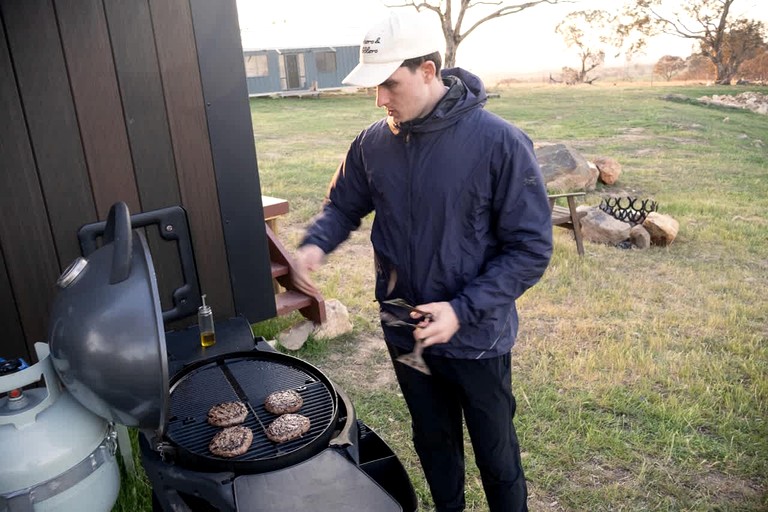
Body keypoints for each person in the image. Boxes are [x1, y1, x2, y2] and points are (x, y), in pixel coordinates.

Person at [291, 11, 553, 512]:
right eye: (375, 87)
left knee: (496, 454)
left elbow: (530, 249)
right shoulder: (373, 142)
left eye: (390, 84)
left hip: (476, 337)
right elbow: (344, 204)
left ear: (429, 71)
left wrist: (462, 308)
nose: (380, 99)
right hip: (404, 327)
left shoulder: (500, 143)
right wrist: (316, 243)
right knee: (433, 444)